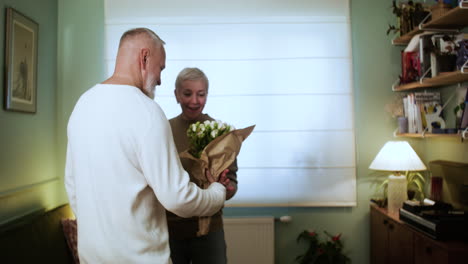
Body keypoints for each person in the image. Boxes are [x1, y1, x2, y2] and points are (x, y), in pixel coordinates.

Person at [64, 28, 231, 264]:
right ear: (144, 58)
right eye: (161, 68)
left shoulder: (82, 105)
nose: (161, 79)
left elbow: (72, 186)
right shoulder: (147, 112)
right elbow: (177, 197)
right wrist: (217, 193)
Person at [167, 67, 238, 264]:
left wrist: (225, 188)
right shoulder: (163, 130)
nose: (194, 101)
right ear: (176, 95)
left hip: (209, 230)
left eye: (201, 94)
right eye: (187, 93)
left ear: (207, 95)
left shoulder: (221, 133)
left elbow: (232, 184)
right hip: (170, 229)